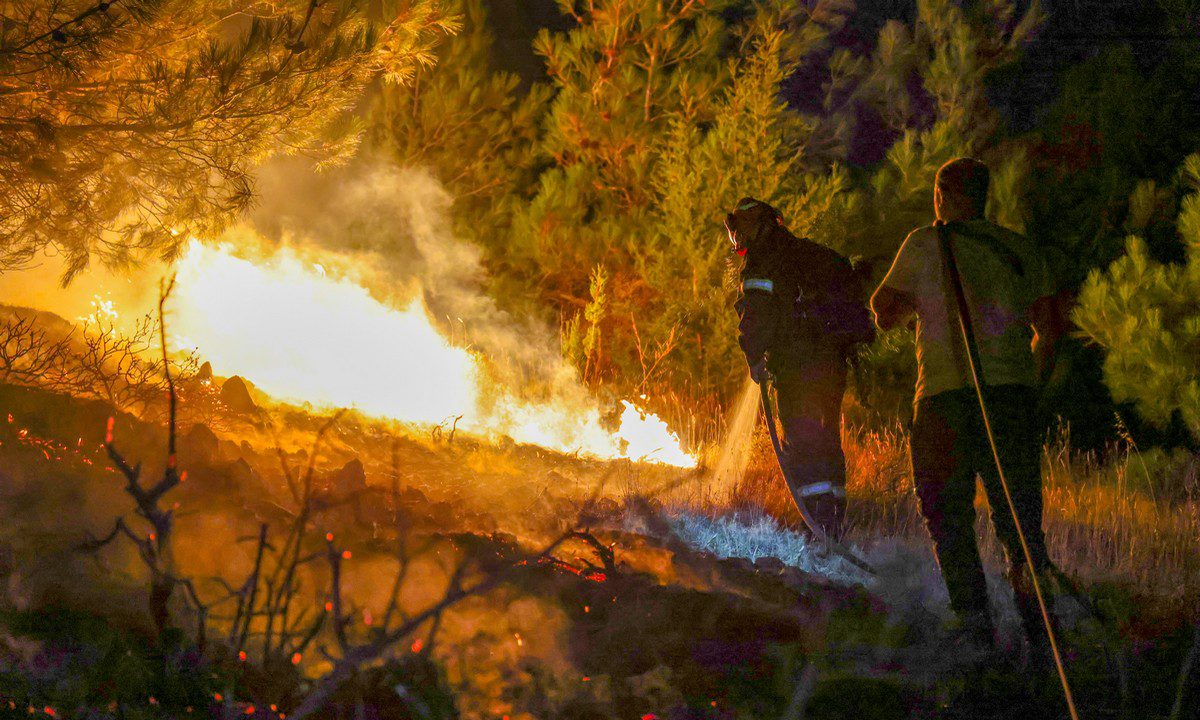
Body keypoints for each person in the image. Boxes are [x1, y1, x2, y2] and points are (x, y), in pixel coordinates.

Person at [870, 157, 1065, 653]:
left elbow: (882, 311)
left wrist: (914, 303)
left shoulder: (924, 242)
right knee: (1019, 525)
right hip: (1012, 401)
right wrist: (1029, 388)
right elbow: (1051, 329)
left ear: (941, 195)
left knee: (947, 515)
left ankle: (975, 630)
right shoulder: (1020, 249)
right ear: (984, 197)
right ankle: (1042, 637)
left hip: (944, 399)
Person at [726, 197, 874, 539]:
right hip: (832, 366)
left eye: (741, 228)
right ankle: (833, 525)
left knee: (804, 446)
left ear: (758, 226)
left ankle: (816, 530)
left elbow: (757, 318)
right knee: (827, 443)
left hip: (798, 369)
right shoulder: (810, 253)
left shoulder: (765, 260)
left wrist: (753, 356)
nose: (738, 238)